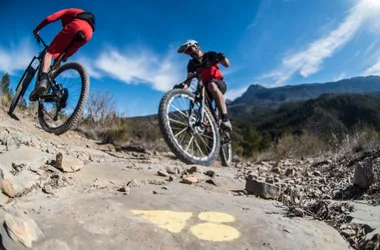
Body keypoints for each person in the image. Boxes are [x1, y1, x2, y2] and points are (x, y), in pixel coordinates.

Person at [29, 8, 96, 102]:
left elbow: (50, 18)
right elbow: (74, 47)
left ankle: (44, 79)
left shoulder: (69, 11)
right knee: (59, 59)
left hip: (76, 26)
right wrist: (66, 56)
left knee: (49, 53)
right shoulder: (82, 15)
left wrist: (37, 29)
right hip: (88, 34)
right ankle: (53, 89)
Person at [177, 40, 232, 131]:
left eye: (190, 49)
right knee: (204, 108)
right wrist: (181, 87)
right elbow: (188, 81)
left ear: (197, 46)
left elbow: (227, 64)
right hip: (206, 88)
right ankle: (213, 136)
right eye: (187, 52)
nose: (190, 53)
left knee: (211, 85)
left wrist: (222, 57)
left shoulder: (209, 55)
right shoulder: (192, 63)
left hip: (219, 83)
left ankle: (225, 119)